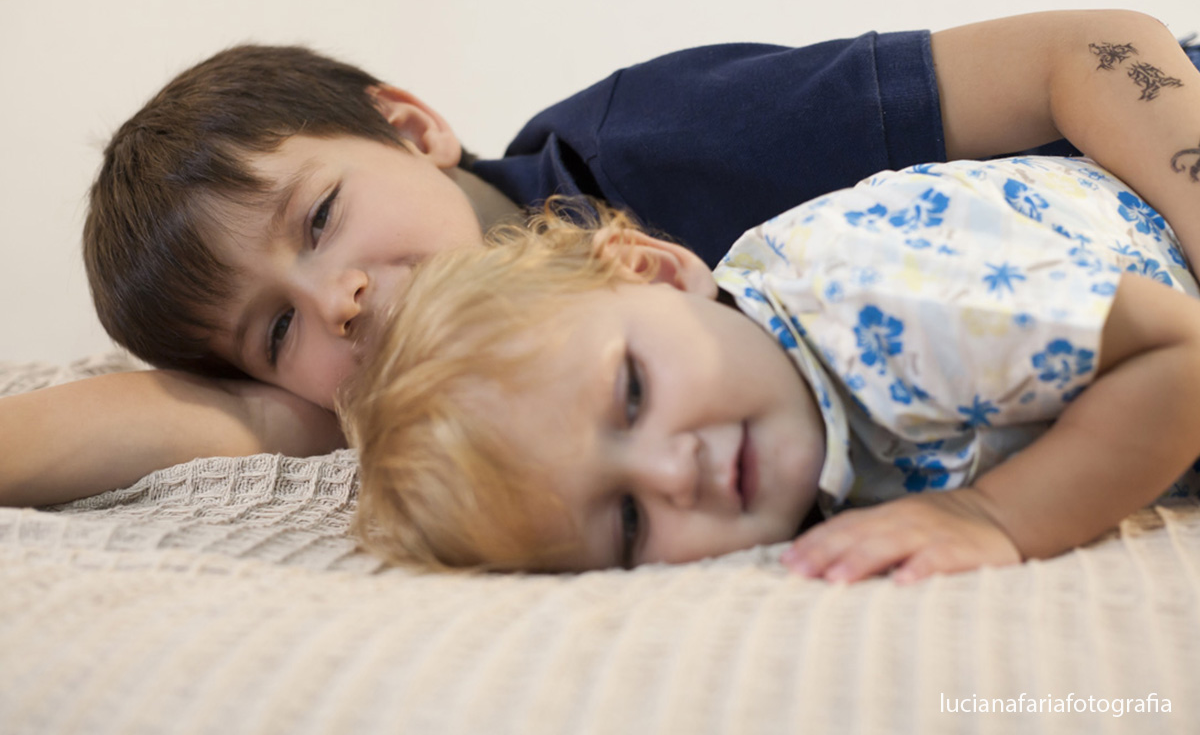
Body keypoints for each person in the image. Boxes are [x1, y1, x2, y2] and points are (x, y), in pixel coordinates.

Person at [2, 9, 1200, 508]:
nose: (340, 301)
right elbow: (179, 419)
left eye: (318, 221)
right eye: (277, 331)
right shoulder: (440, 406)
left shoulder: (638, 144)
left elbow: (1098, 46)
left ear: (412, 129)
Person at [343, 155, 1200, 581]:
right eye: (629, 523)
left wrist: (993, 518)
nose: (673, 471)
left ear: (658, 271)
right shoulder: (788, 425)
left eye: (633, 394)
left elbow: (1183, 354)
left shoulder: (873, 304)